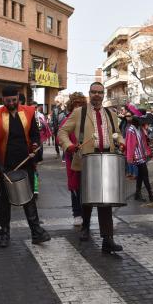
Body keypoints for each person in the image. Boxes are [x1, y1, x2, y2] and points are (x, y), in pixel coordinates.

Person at [58, 82, 125, 254]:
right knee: (86, 197)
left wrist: (121, 143)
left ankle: (107, 239)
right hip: (87, 158)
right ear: (90, 94)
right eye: (94, 92)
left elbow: (118, 135)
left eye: (100, 92)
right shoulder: (79, 112)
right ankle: (86, 227)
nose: (97, 95)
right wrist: (69, 146)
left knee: (106, 200)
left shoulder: (111, 114)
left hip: (107, 159)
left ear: (103, 95)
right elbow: (62, 132)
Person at [0, 85, 50, 248]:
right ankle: (5, 233)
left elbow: (35, 134)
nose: (12, 103)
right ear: (3, 100)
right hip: (5, 164)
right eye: (8, 101)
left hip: (25, 162)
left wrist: (35, 145)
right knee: (5, 199)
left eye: (14, 100)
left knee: (28, 198)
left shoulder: (29, 112)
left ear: (18, 98)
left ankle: (36, 232)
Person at [59, 92, 86, 226]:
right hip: (73, 157)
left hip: (87, 158)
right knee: (75, 186)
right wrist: (70, 146)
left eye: (81, 105)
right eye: (76, 105)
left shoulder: (87, 119)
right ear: (71, 106)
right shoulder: (67, 120)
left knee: (86, 187)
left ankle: (85, 214)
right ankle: (77, 213)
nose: (78, 107)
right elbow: (61, 137)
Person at [126, 115, 153, 202]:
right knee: (145, 175)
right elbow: (130, 145)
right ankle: (151, 195)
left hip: (141, 155)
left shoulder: (139, 128)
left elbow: (144, 139)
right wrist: (130, 158)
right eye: (139, 123)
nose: (141, 124)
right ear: (135, 123)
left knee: (140, 175)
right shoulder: (131, 130)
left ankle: (137, 194)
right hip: (137, 156)